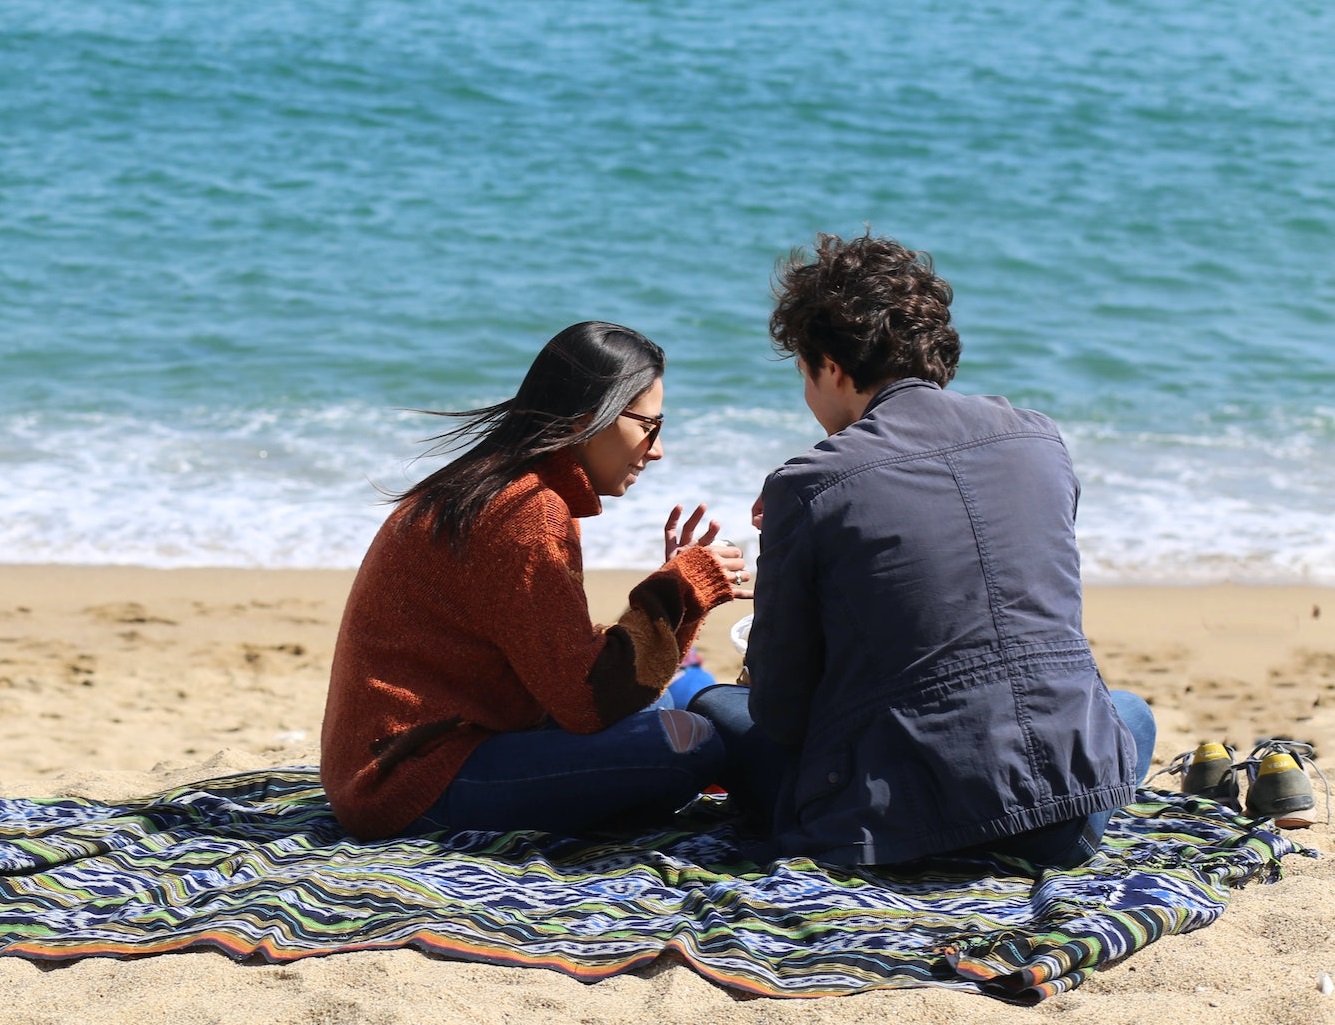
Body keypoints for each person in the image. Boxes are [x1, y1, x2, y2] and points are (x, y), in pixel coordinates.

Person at [691, 233, 1156, 870]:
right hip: (1064, 820)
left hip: (896, 827)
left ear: (830, 365)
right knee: (1126, 713)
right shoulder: (1040, 441)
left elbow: (784, 712)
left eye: (803, 373)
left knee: (715, 707)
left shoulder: (810, 484)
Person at [320, 321, 750, 841]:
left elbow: (564, 672)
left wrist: (679, 595)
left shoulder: (508, 485)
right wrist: (679, 590)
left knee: (662, 704)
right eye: (648, 426)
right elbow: (584, 702)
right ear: (591, 418)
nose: (656, 450)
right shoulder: (527, 510)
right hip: (410, 783)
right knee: (693, 742)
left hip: (417, 754)